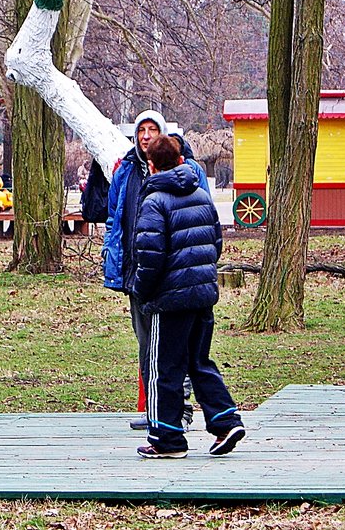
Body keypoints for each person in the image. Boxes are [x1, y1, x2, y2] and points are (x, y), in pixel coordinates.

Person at [131, 135, 245, 459]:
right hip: (203, 295)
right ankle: (225, 421)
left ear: (151, 165)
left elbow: (149, 256)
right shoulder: (201, 195)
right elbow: (216, 243)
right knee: (199, 362)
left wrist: (142, 290)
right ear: (181, 160)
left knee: (162, 368)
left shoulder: (154, 201)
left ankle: (167, 439)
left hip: (169, 301)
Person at [103, 110, 210, 431]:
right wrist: (116, 261)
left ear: (163, 135)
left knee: (175, 346)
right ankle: (155, 410)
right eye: (141, 131)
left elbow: (202, 223)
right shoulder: (127, 171)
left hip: (170, 275)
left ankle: (181, 410)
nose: (146, 135)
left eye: (152, 130)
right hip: (137, 271)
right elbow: (114, 217)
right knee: (146, 344)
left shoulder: (185, 172)